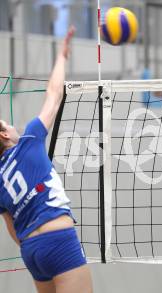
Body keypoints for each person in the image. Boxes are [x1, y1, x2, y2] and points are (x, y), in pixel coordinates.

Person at [0, 26, 93, 293]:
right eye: (9, 124)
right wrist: (62, 57)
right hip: (58, 240)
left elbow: (13, 229)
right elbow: (54, 96)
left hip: (31, 249)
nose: (15, 126)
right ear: (5, 134)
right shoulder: (28, 142)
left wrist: (36, 245)